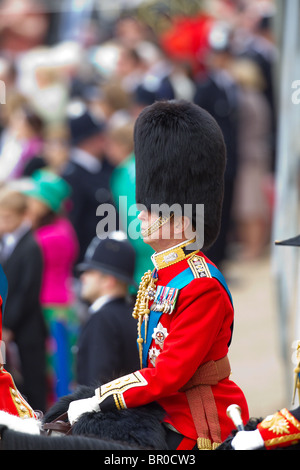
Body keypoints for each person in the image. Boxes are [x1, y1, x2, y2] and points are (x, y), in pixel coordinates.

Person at [67, 100, 249, 450]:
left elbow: (168, 374)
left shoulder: (200, 285)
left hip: (198, 421)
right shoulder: (159, 273)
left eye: (151, 209)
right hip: (163, 408)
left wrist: (101, 398)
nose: (140, 212)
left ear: (181, 221)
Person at [24, 170, 79, 407]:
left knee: (58, 369)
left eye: (35, 199)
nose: (29, 203)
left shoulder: (49, 236)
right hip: (55, 303)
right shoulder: (60, 227)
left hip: (53, 307)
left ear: (47, 204)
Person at [0, 187, 47, 412]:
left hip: (26, 328)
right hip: (6, 323)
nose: (2, 223)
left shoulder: (31, 247)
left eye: (7, 217)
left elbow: (26, 292)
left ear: (22, 216)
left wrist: (8, 324)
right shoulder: (7, 242)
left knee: (32, 378)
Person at [76, 232, 139, 386]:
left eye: (90, 272)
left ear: (108, 281)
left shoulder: (103, 319)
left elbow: (96, 386)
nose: (83, 277)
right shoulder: (133, 314)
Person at [61, 103, 116, 264]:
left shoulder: (102, 166)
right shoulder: (72, 177)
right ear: (88, 140)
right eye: (100, 136)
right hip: (90, 260)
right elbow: (74, 225)